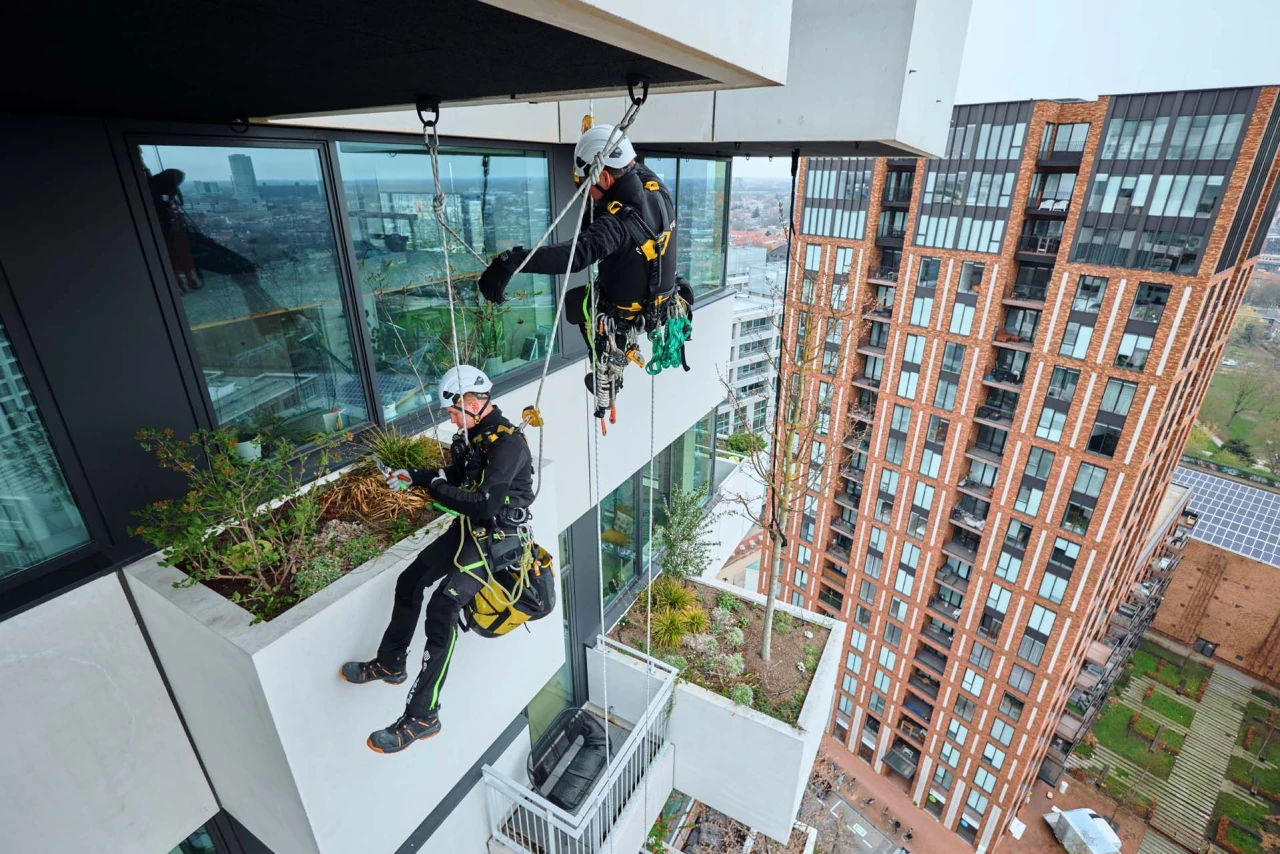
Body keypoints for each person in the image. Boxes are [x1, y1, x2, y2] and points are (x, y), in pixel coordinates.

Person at [340, 365, 535, 753]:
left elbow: (484, 502)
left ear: (475, 402)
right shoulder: (473, 437)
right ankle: (390, 663)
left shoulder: (507, 444)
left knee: (442, 608)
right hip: (471, 530)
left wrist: (433, 486)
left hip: (497, 538)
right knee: (411, 580)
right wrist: (413, 475)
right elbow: (453, 474)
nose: (450, 417)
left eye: (453, 410)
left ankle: (423, 716)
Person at [476, 124, 693, 392]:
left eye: (585, 185)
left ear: (603, 177)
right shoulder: (658, 190)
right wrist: (598, 142)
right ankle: (611, 364)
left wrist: (512, 261)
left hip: (624, 312)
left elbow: (573, 256)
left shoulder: (616, 225)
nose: (585, 193)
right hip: (662, 302)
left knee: (579, 304)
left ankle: (605, 370)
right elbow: (630, 162)